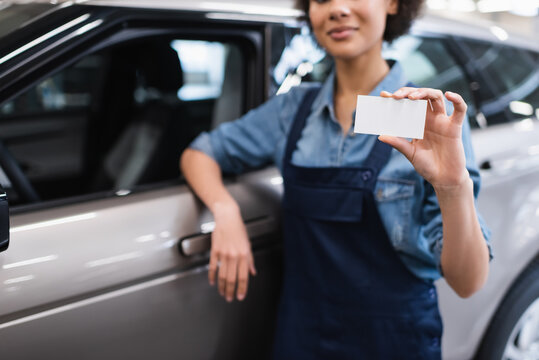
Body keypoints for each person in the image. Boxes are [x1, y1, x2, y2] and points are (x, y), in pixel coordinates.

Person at [180, 0, 492, 358]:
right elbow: (200, 152)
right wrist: (225, 210)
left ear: (393, 4)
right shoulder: (293, 110)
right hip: (303, 336)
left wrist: (453, 188)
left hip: (393, 340)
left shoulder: (425, 120)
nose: (337, 9)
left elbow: (468, 283)